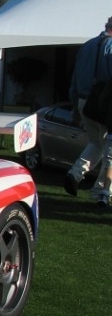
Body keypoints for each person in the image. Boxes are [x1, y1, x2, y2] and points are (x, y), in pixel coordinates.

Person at [63, 17, 112, 200]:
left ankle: (75, 173)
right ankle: (101, 191)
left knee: (96, 143)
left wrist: (75, 105)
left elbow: (75, 77)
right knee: (108, 148)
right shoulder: (110, 47)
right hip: (104, 104)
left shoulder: (87, 45)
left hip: (84, 101)